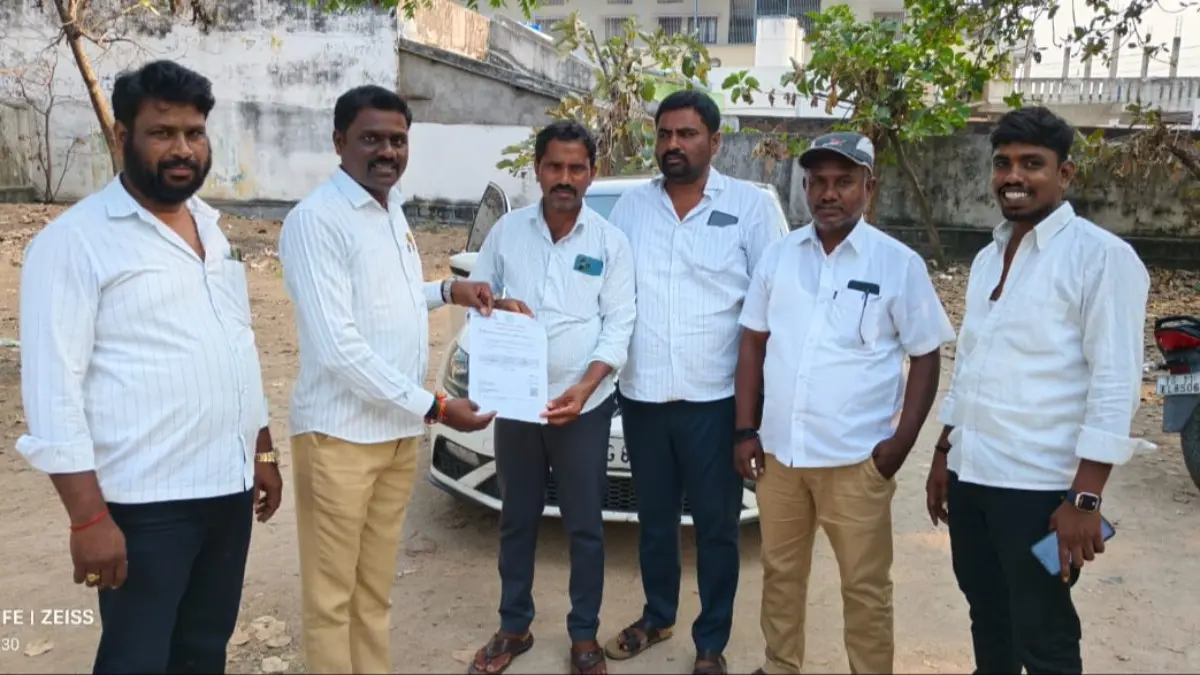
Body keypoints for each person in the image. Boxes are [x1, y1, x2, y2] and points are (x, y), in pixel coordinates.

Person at [16, 59, 282, 674]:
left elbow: (237, 348)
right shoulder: (75, 242)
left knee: (202, 650)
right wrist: (88, 518)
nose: (182, 149)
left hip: (227, 494)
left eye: (194, 132)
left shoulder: (212, 230)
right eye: (162, 132)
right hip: (145, 507)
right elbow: (54, 392)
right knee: (136, 658)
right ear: (122, 137)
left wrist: (262, 449)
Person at [278, 85, 498, 674]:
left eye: (397, 140)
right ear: (339, 142)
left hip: (396, 435)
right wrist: (437, 407)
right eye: (371, 138)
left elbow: (388, 302)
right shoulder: (316, 221)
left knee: (373, 592)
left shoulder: (390, 208)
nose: (387, 151)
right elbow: (338, 347)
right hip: (340, 440)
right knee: (332, 600)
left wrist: (448, 290)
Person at [925, 106, 1151, 674]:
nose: (1013, 177)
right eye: (1002, 163)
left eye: (1032, 164)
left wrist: (1085, 499)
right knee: (987, 616)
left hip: (1041, 491)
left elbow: (1115, 382)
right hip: (972, 477)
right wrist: (944, 452)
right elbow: (971, 365)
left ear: (1064, 173)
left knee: (1045, 634)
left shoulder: (1102, 258)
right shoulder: (987, 258)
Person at [733, 131, 955, 675]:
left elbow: (926, 355)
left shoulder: (898, 265)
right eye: (818, 182)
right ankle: (781, 665)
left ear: (868, 188)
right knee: (780, 574)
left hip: (857, 461)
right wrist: (745, 430)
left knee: (865, 586)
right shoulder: (779, 257)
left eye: (844, 182)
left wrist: (899, 446)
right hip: (780, 457)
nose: (828, 193)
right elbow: (753, 344)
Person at [601, 89, 786, 675]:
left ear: (715, 141)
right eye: (664, 134)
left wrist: (755, 415)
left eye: (687, 134)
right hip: (643, 398)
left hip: (716, 402)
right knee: (654, 522)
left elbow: (770, 307)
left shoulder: (749, 208)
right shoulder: (631, 208)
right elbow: (610, 293)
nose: (673, 144)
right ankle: (658, 615)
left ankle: (711, 642)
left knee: (716, 528)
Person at [465, 121, 636, 675]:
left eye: (576, 168)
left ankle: (583, 635)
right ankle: (514, 626)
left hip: (583, 407)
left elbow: (620, 324)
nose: (565, 178)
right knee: (517, 517)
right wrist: (498, 306)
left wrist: (585, 388)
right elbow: (476, 299)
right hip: (518, 404)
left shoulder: (610, 243)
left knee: (585, 524)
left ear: (592, 173)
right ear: (538, 170)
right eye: (555, 166)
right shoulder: (507, 233)